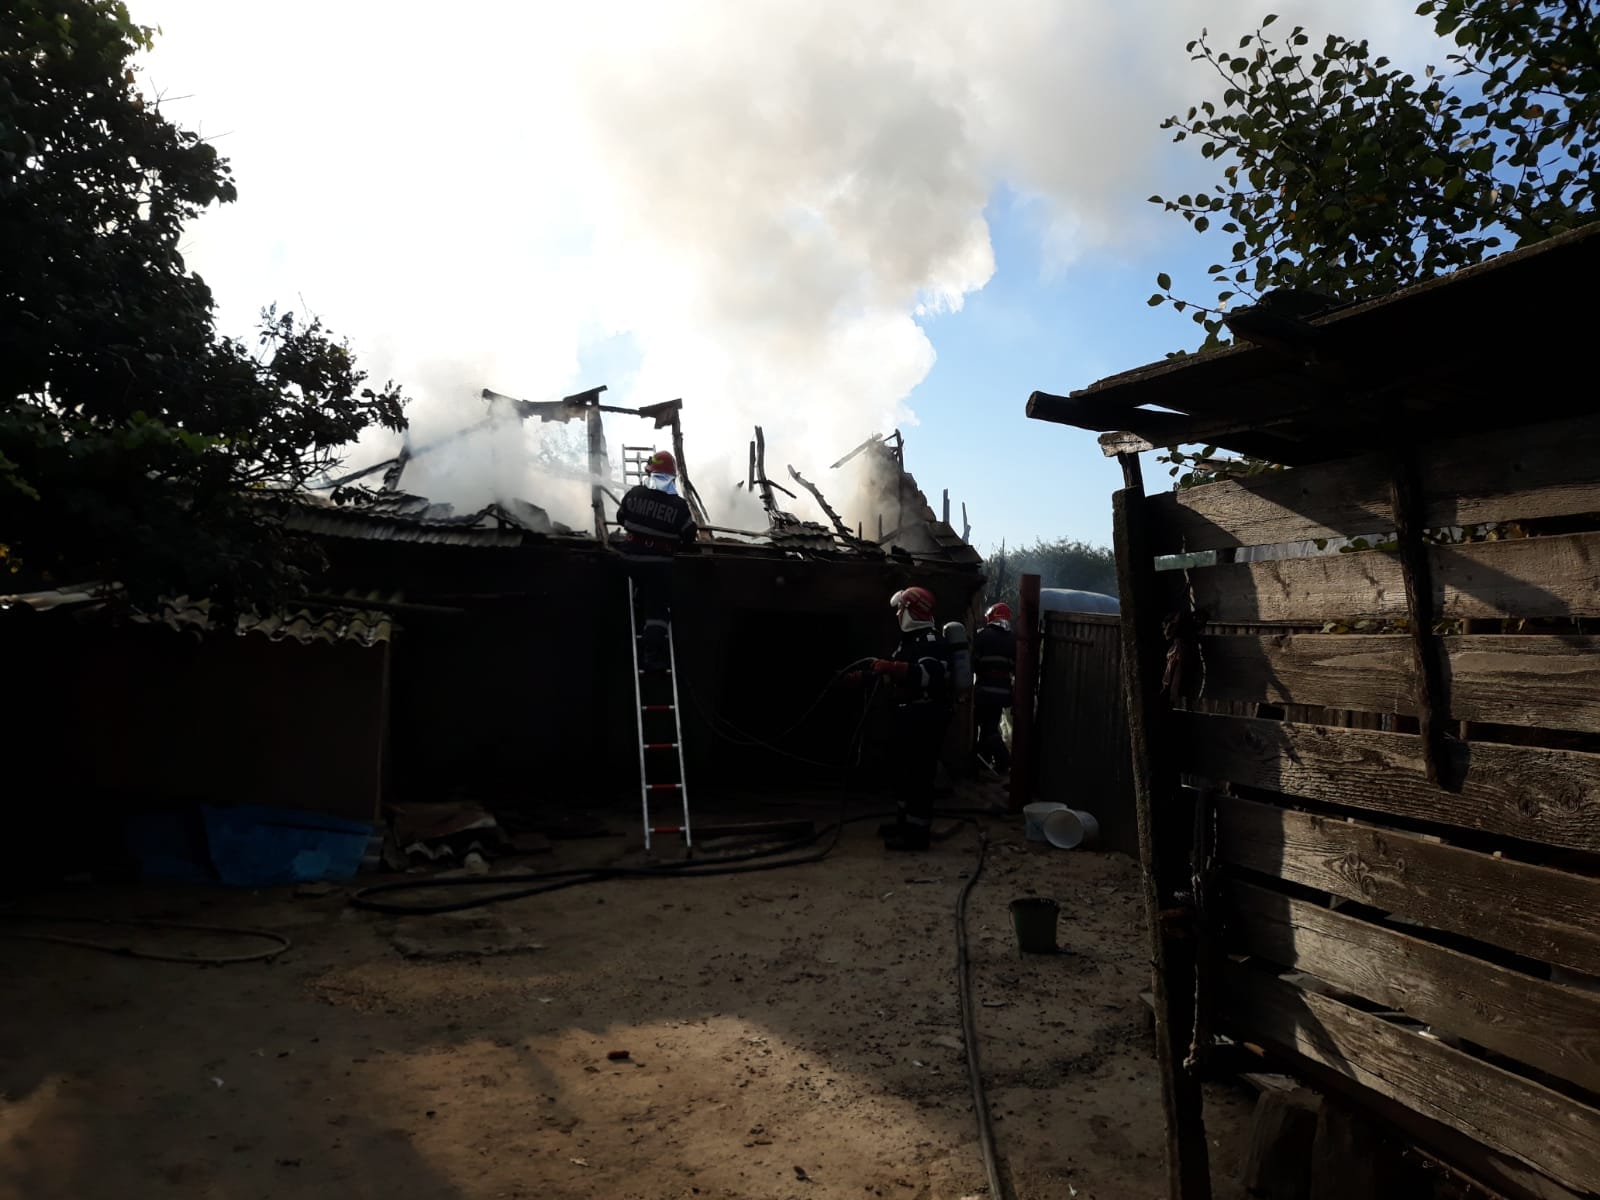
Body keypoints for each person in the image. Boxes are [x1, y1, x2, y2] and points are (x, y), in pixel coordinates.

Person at [852, 586, 951, 852]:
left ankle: (917, 835)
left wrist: (894, 668)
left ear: (912, 611)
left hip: (926, 717)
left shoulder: (931, 641)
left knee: (919, 776)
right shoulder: (909, 641)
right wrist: (863, 678)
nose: (897, 614)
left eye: (901, 609)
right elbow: (891, 673)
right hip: (908, 716)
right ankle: (904, 824)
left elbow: (930, 675)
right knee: (902, 773)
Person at [616, 450, 696, 671]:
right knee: (657, 611)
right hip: (658, 566)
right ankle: (652, 656)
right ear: (671, 477)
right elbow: (689, 535)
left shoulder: (634, 494)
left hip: (629, 560)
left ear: (650, 473)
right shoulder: (679, 506)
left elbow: (621, 518)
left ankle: (638, 595)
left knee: (643, 583)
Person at [972, 602, 1016, 774]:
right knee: (990, 725)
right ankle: (986, 762)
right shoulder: (1012, 639)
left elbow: (974, 663)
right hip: (1003, 691)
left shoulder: (982, 636)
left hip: (985, 690)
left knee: (987, 728)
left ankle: (1004, 760)